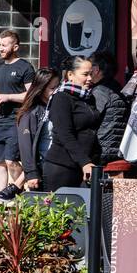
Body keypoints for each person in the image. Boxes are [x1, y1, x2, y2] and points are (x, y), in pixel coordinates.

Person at [41, 56, 102, 191]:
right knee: (59, 211)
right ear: (70, 75)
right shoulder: (61, 97)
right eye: (85, 74)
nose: (90, 78)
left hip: (85, 165)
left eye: (91, 74)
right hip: (62, 166)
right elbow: (65, 135)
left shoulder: (88, 98)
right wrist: (84, 162)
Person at [0, 30, 35, 200]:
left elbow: (31, 95)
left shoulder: (25, 67)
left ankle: (21, 196)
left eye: (4, 45)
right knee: (0, 163)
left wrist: (8, 97)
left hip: (17, 120)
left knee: (11, 161)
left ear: (15, 46)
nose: (0, 48)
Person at [14, 67, 60, 193]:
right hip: (42, 170)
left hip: (57, 167)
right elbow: (26, 145)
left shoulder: (56, 107)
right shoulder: (31, 113)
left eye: (58, 87)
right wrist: (31, 173)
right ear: (41, 89)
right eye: (52, 88)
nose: (56, 91)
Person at [90, 51, 129, 157]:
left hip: (101, 150)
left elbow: (90, 119)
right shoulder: (118, 87)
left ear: (96, 69)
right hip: (118, 148)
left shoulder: (100, 91)